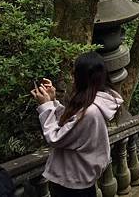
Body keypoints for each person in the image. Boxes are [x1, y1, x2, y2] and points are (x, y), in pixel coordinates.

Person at [30, 52, 123, 197]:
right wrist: (53, 101)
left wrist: (46, 105)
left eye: (74, 73)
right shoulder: (94, 103)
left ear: (82, 77)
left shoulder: (90, 111)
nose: (72, 77)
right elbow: (72, 125)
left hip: (72, 184)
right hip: (78, 180)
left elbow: (56, 138)